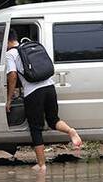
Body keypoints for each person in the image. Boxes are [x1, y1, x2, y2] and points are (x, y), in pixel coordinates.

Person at [5, 29, 82, 172]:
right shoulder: (30, 46)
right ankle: (70, 131)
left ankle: (41, 165)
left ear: (7, 41)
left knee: (35, 128)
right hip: (49, 87)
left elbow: (13, 76)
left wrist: (9, 99)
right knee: (53, 119)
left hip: (33, 93)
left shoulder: (10, 54)